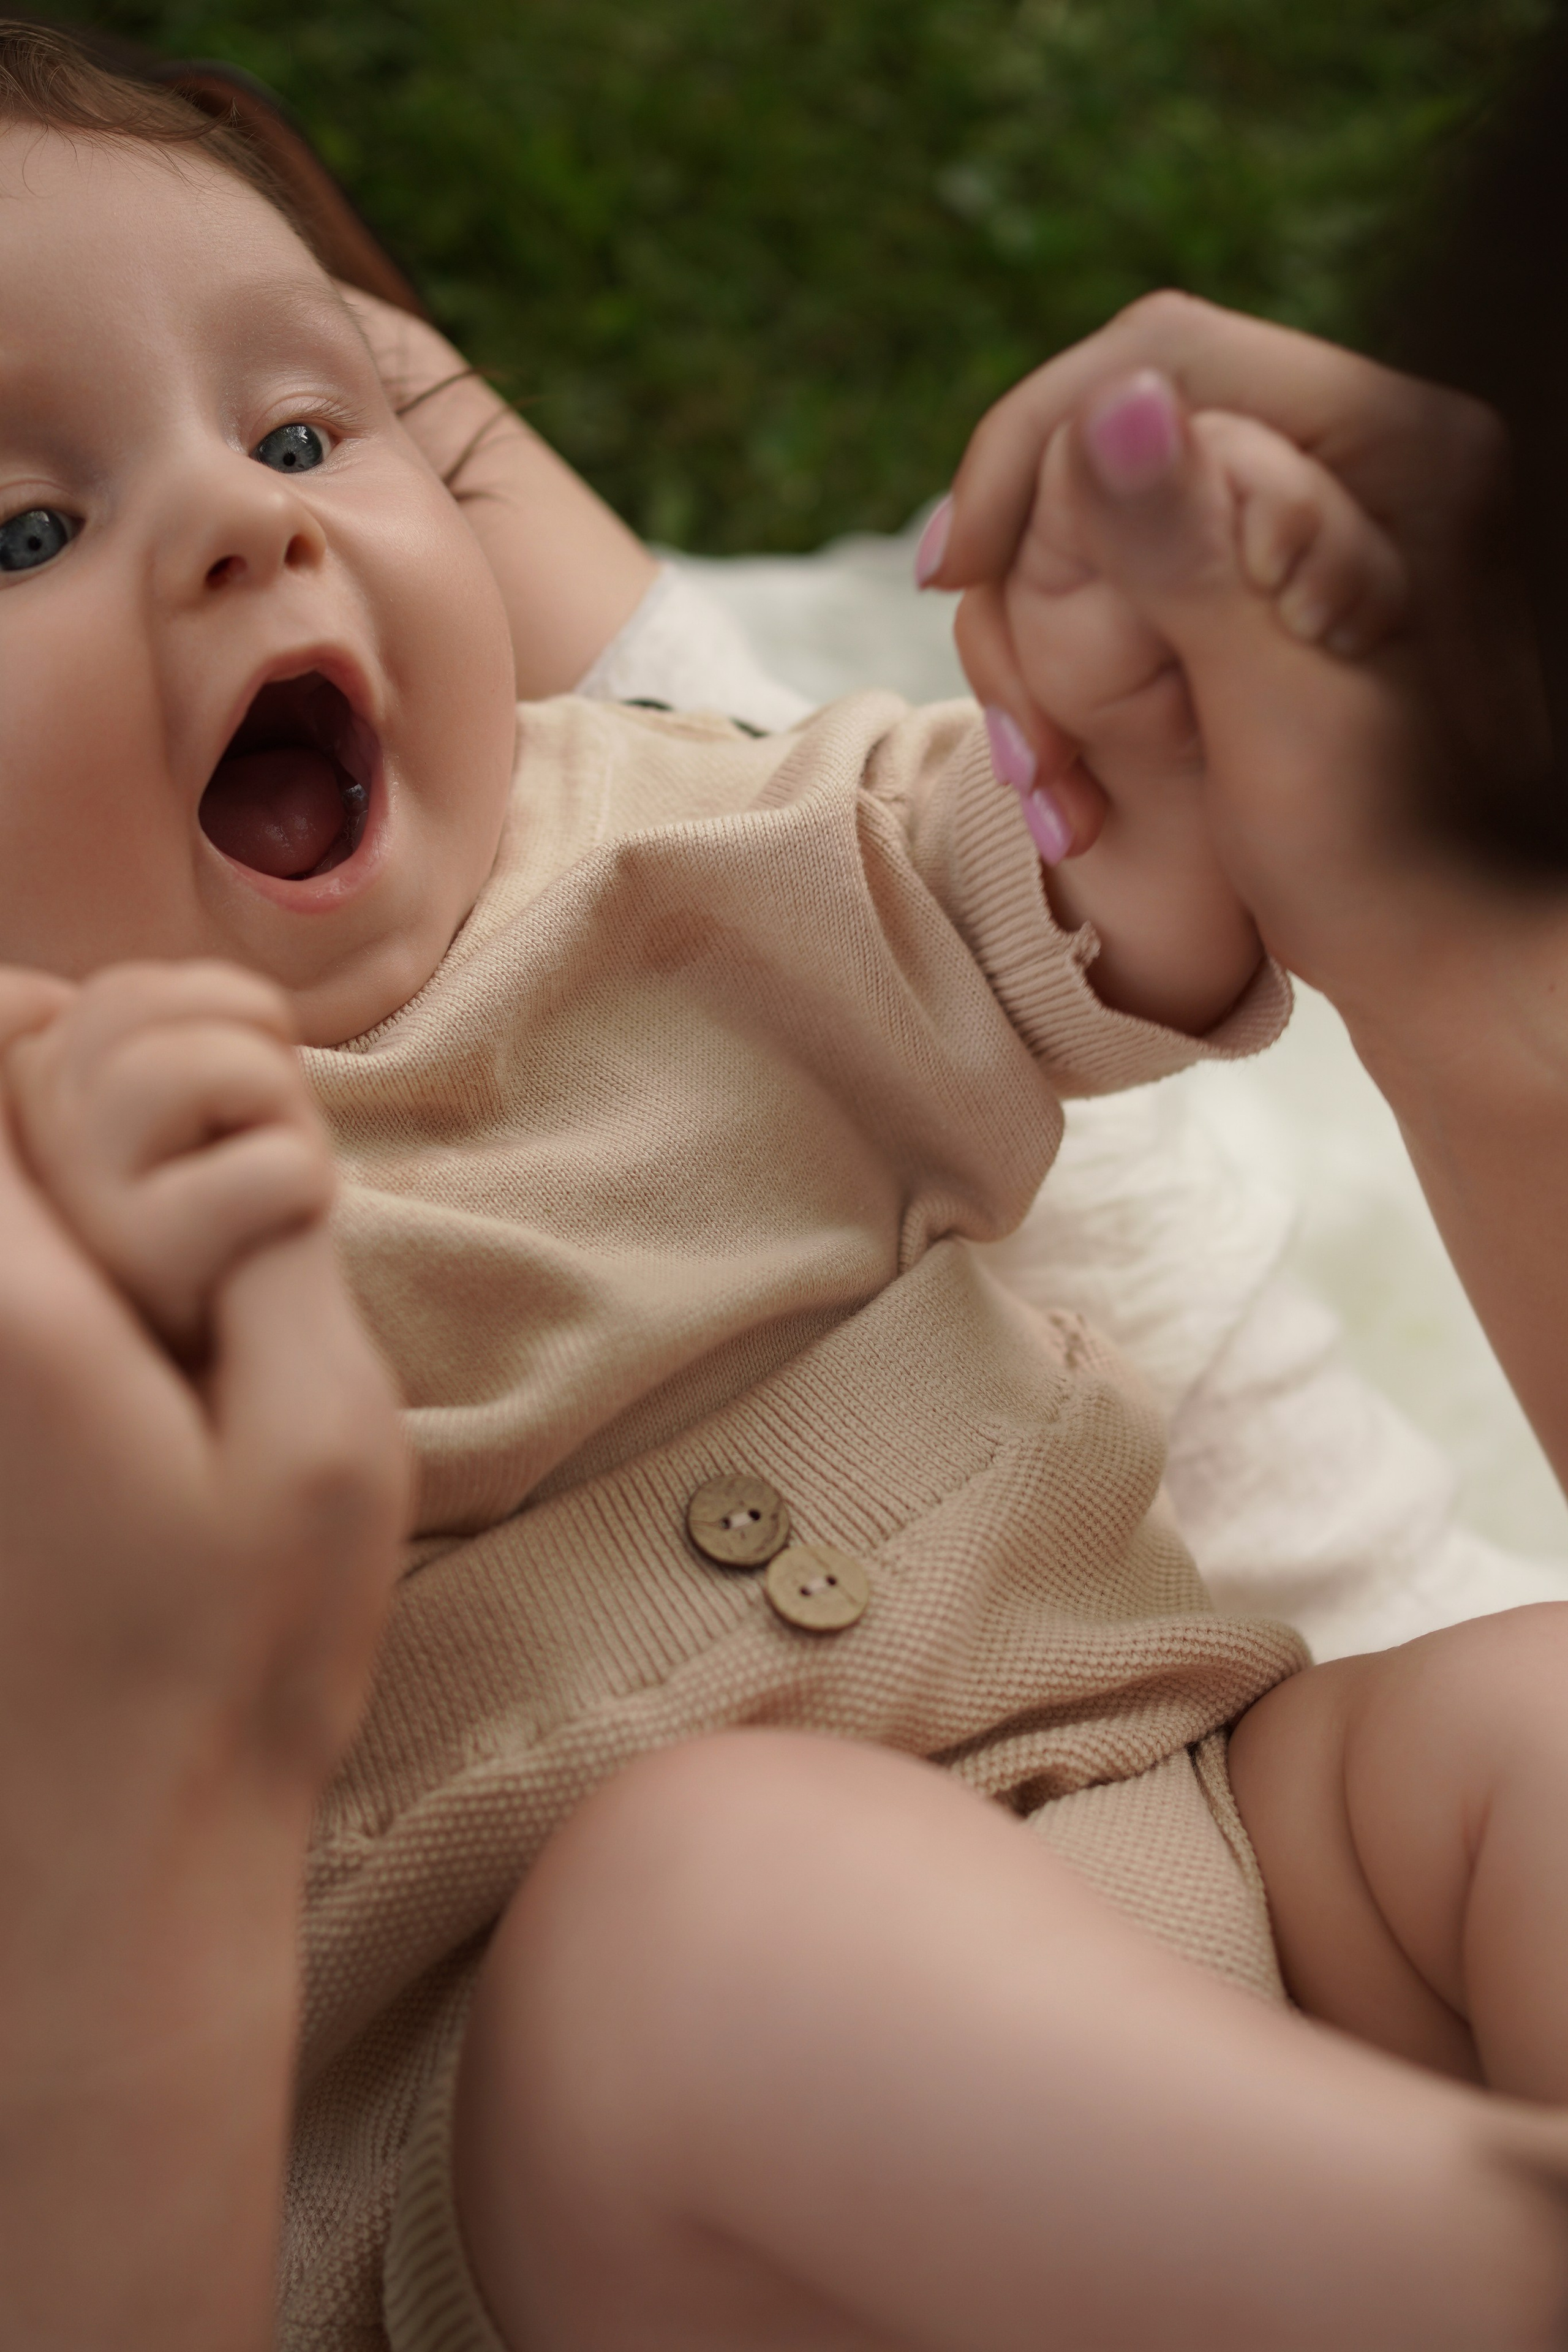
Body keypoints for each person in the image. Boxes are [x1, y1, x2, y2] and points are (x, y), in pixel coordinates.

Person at [4, 26, 1568, 2352]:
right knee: (714, 1909)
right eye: (21, 525)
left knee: (1522, 1721)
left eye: (310, 425)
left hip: (1213, 1816)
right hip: (588, 2168)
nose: (255, 519)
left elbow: (1055, 892)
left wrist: (1151, 730)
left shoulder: (650, 822)